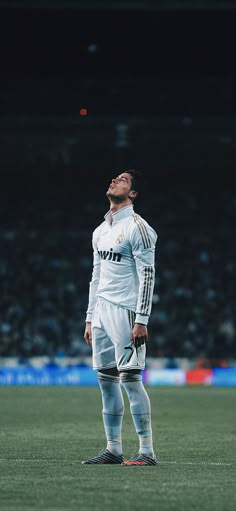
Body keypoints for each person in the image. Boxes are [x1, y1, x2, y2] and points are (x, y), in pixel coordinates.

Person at [82, 169, 158, 466]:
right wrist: (90, 317)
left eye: (123, 180)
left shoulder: (139, 228)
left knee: (130, 379)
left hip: (126, 311)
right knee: (106, 380)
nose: (114, 180)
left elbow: (147, 275)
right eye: (114, 178)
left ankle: (147, 452)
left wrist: (142, 319)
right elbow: (96, 275)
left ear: (133, 194)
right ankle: (113, 449)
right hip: (101, 312)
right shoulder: (100, 230)